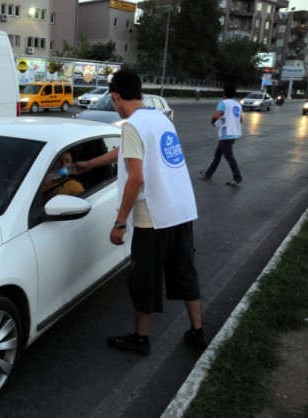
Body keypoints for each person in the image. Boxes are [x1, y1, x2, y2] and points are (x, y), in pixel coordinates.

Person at [76, 69, 206, 356]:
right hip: (180, 209)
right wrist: (89, 165)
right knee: (184, 271)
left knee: (143, 278)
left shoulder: (133, 125)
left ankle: (140, 338)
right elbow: (124, 152)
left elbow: (135, 178)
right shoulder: (158, 119)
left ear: (115, 96)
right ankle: (197, 331)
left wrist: (120, 223)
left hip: (153, 216)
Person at [200, 85, 242, 186]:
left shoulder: (223, 103)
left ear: (224, 93)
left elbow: (216, 116)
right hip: (233, 133)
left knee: (229, 157)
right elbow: (241, 119)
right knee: (218, 155)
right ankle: (208, 173)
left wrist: (213, 122)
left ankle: (237, 177)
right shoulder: (238, 104)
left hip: (226, 134)